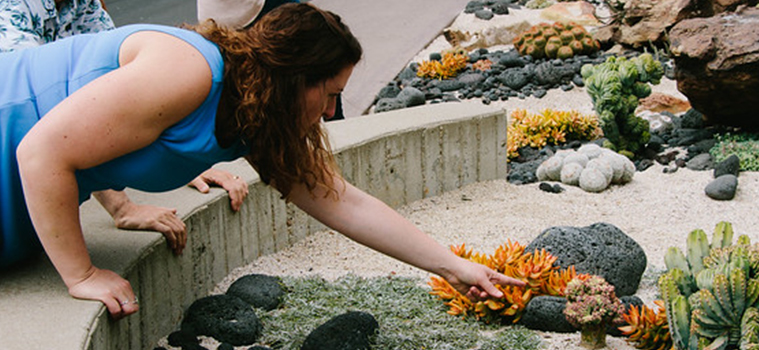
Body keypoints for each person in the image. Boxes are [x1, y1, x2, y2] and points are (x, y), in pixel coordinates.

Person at [0, 2, 523, 320]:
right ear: (297, 77)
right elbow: (40, 148)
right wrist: (82, 273)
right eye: (332, 92)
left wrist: (452, 266)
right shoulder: (190, 69)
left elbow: (343, 203)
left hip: (22, 203)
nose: (333, 110)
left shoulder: (254, 118)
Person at [0, 0, 252, 251]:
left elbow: (117, 99)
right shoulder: (12, 11)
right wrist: (122, 208)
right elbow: (56, 128)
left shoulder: (82, 5)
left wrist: (182, 157)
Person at [197, 0, 345, 121]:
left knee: (318, 49)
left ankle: (333, 125)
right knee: (318, 46)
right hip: (241, 11)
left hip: (220, 14)